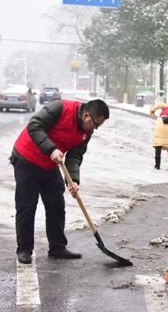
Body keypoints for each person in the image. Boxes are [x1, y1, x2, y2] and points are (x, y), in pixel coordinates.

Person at [10, 99, 110, 264]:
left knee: (56, 203)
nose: (95, 129)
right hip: (27, 157)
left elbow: (75, 156)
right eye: (96, 124)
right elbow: (34, 125)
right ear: (86, 115)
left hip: (51, 164)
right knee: (26, 205)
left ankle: (57, 247)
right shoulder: (60, 108)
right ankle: (24, 249)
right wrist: (51, 149)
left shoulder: (87, 132)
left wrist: (74, 180)